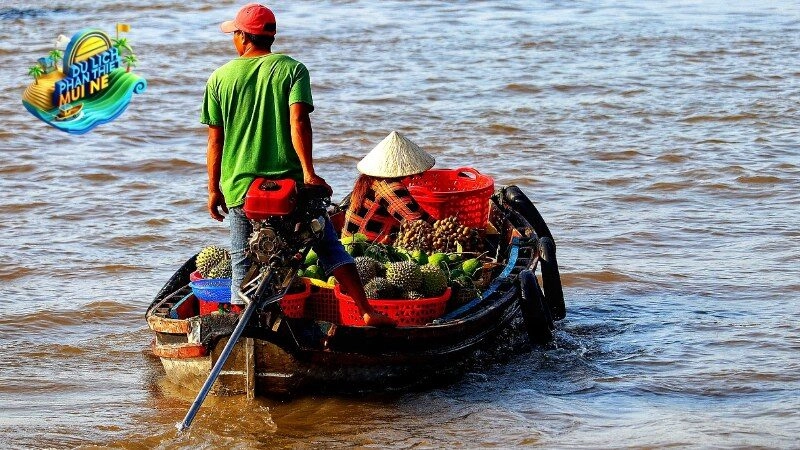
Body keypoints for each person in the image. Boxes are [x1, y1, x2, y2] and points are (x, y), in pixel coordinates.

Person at [201, 3, 394, 327]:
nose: (233, 38)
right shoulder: (292, 69)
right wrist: (308, 173)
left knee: (241, 260)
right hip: (290, 188)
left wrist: (213, 189)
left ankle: (246, 327)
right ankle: (365, 310)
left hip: (240, 189)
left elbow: (215, 141)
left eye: (234, 33)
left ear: (243, 37)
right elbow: (298, 122)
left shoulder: (220, 78)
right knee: (328, 247)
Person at [343, 131, 436, 243]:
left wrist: (444, 224)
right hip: (365, 248)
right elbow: (417, 224)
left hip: (351, 242)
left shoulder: (371, 179)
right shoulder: (388, 186)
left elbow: (418, 213)